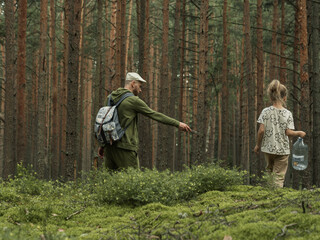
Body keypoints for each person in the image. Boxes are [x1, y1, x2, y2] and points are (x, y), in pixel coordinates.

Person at [98, 72, 192, 170]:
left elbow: (104, 122)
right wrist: (177, 123)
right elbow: (154, 114)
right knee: (133, 182)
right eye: (139, 86)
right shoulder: (133, 100)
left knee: (110, 182)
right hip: (125, 148)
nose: (140, 90)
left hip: (109, 147)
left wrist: (102, 145)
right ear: (133, 83)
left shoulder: (110, 98)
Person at [254, 79, 306, 187]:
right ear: (285, 98)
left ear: (271, 97)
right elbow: (288, 132)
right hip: (282, 149)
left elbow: (261, 130)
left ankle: (269, 194)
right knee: (278, 176)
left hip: (268, 148)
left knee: (269, 171)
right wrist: (299, 133)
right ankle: (275, 197)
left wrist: (258, 145)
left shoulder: (265, 111)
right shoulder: (288, 113)